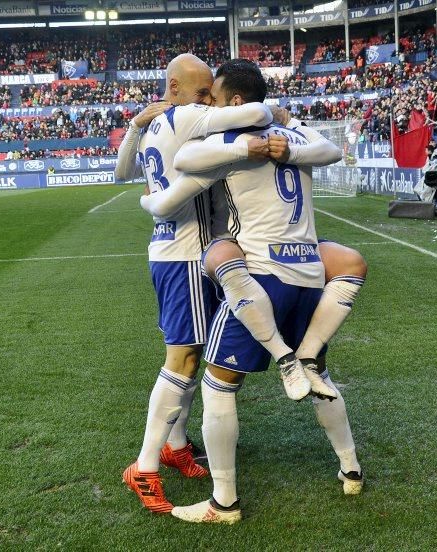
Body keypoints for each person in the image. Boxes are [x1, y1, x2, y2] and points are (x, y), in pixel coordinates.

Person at [140, 60, 364, 524]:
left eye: (216, 99)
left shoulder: (232, 145)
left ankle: (224, 501)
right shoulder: (298, 139)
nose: (210, 108)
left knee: (218, 384)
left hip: (263, 278)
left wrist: (248, 143)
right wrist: (285, 132)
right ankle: (350, 467)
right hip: (309, 278)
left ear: (236, 102)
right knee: (320, 368)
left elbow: (183, 161)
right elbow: (330, 150)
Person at [115, 53, 278, 515]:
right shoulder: (188, 117)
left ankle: (177, 445)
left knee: (193, 354)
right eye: (204, 92)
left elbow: (121, 173)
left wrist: (133, 126)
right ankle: (145, 466)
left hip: (179, 252)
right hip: (186, 253)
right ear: (175, 88)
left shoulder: (158, 123)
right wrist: (274, 113)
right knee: (185, 359)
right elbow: (253, 112)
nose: (211, 101)